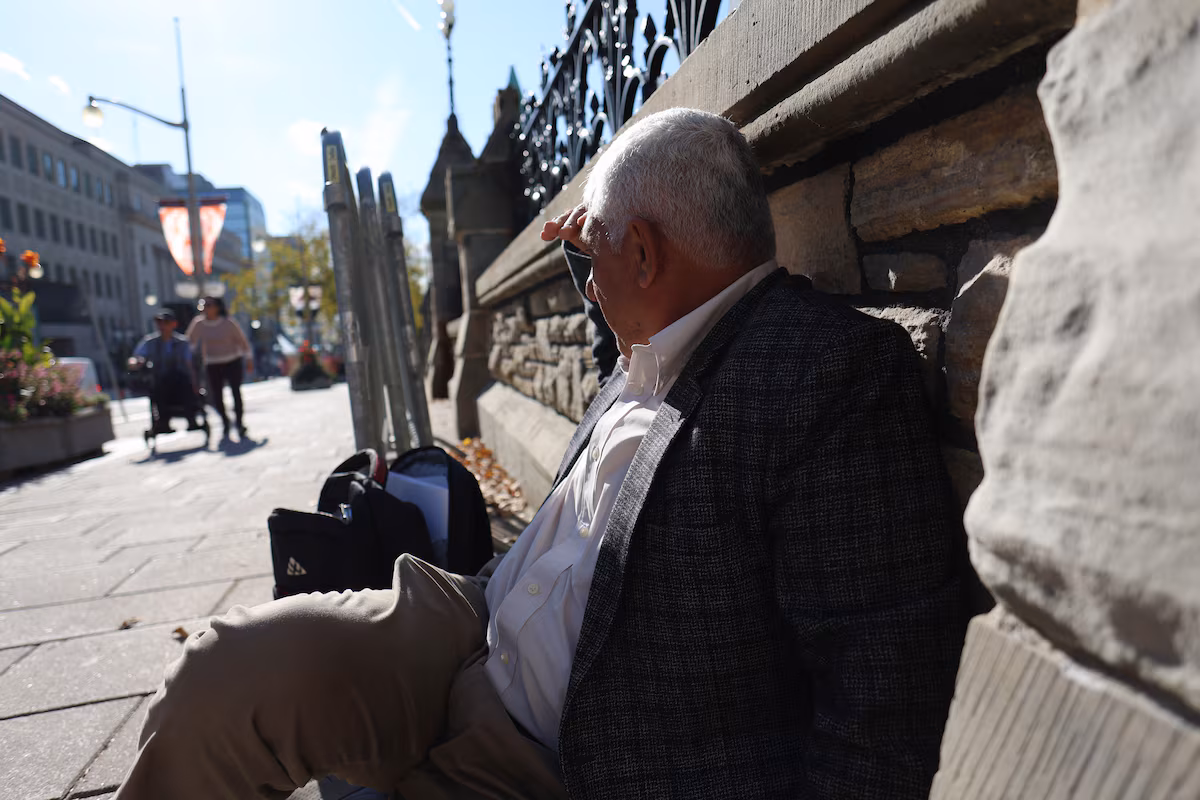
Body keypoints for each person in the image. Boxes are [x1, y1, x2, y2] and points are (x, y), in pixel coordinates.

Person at [117, 109, 968, 800]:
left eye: (589, 257)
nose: (585, 285)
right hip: (470, 621)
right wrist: (589, 243)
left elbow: (883, 701)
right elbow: (641, 358)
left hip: (569, 740)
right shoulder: (653, 342)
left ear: (644, 252)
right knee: (219, 678)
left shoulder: (826, 375)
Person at [187, 296, 253, 439]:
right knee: (216, 395)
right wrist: (190, 357)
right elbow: (189, 342)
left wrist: (248, 358)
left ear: (217, 307)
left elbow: (242, 341)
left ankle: (240, 423)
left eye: (209, 305)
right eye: (203, 305)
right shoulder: (199, 324)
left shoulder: (228, 323)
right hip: (212, 363)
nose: (206, 308)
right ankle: (225, 421)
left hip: (232, 360)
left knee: (236, 392)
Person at [128, 309, 203, 435]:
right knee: (157, 387)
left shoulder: (182, 342)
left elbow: (189, 364)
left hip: (180, 380)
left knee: (184, 383)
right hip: (161, 381)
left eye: (165, 322)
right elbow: (137, 357)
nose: (162, 326)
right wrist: (135, 363)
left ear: (173, 324)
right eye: (159, 323)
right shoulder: (150, 342)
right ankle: (163, 422)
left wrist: (196, 383)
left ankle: (191, 419)